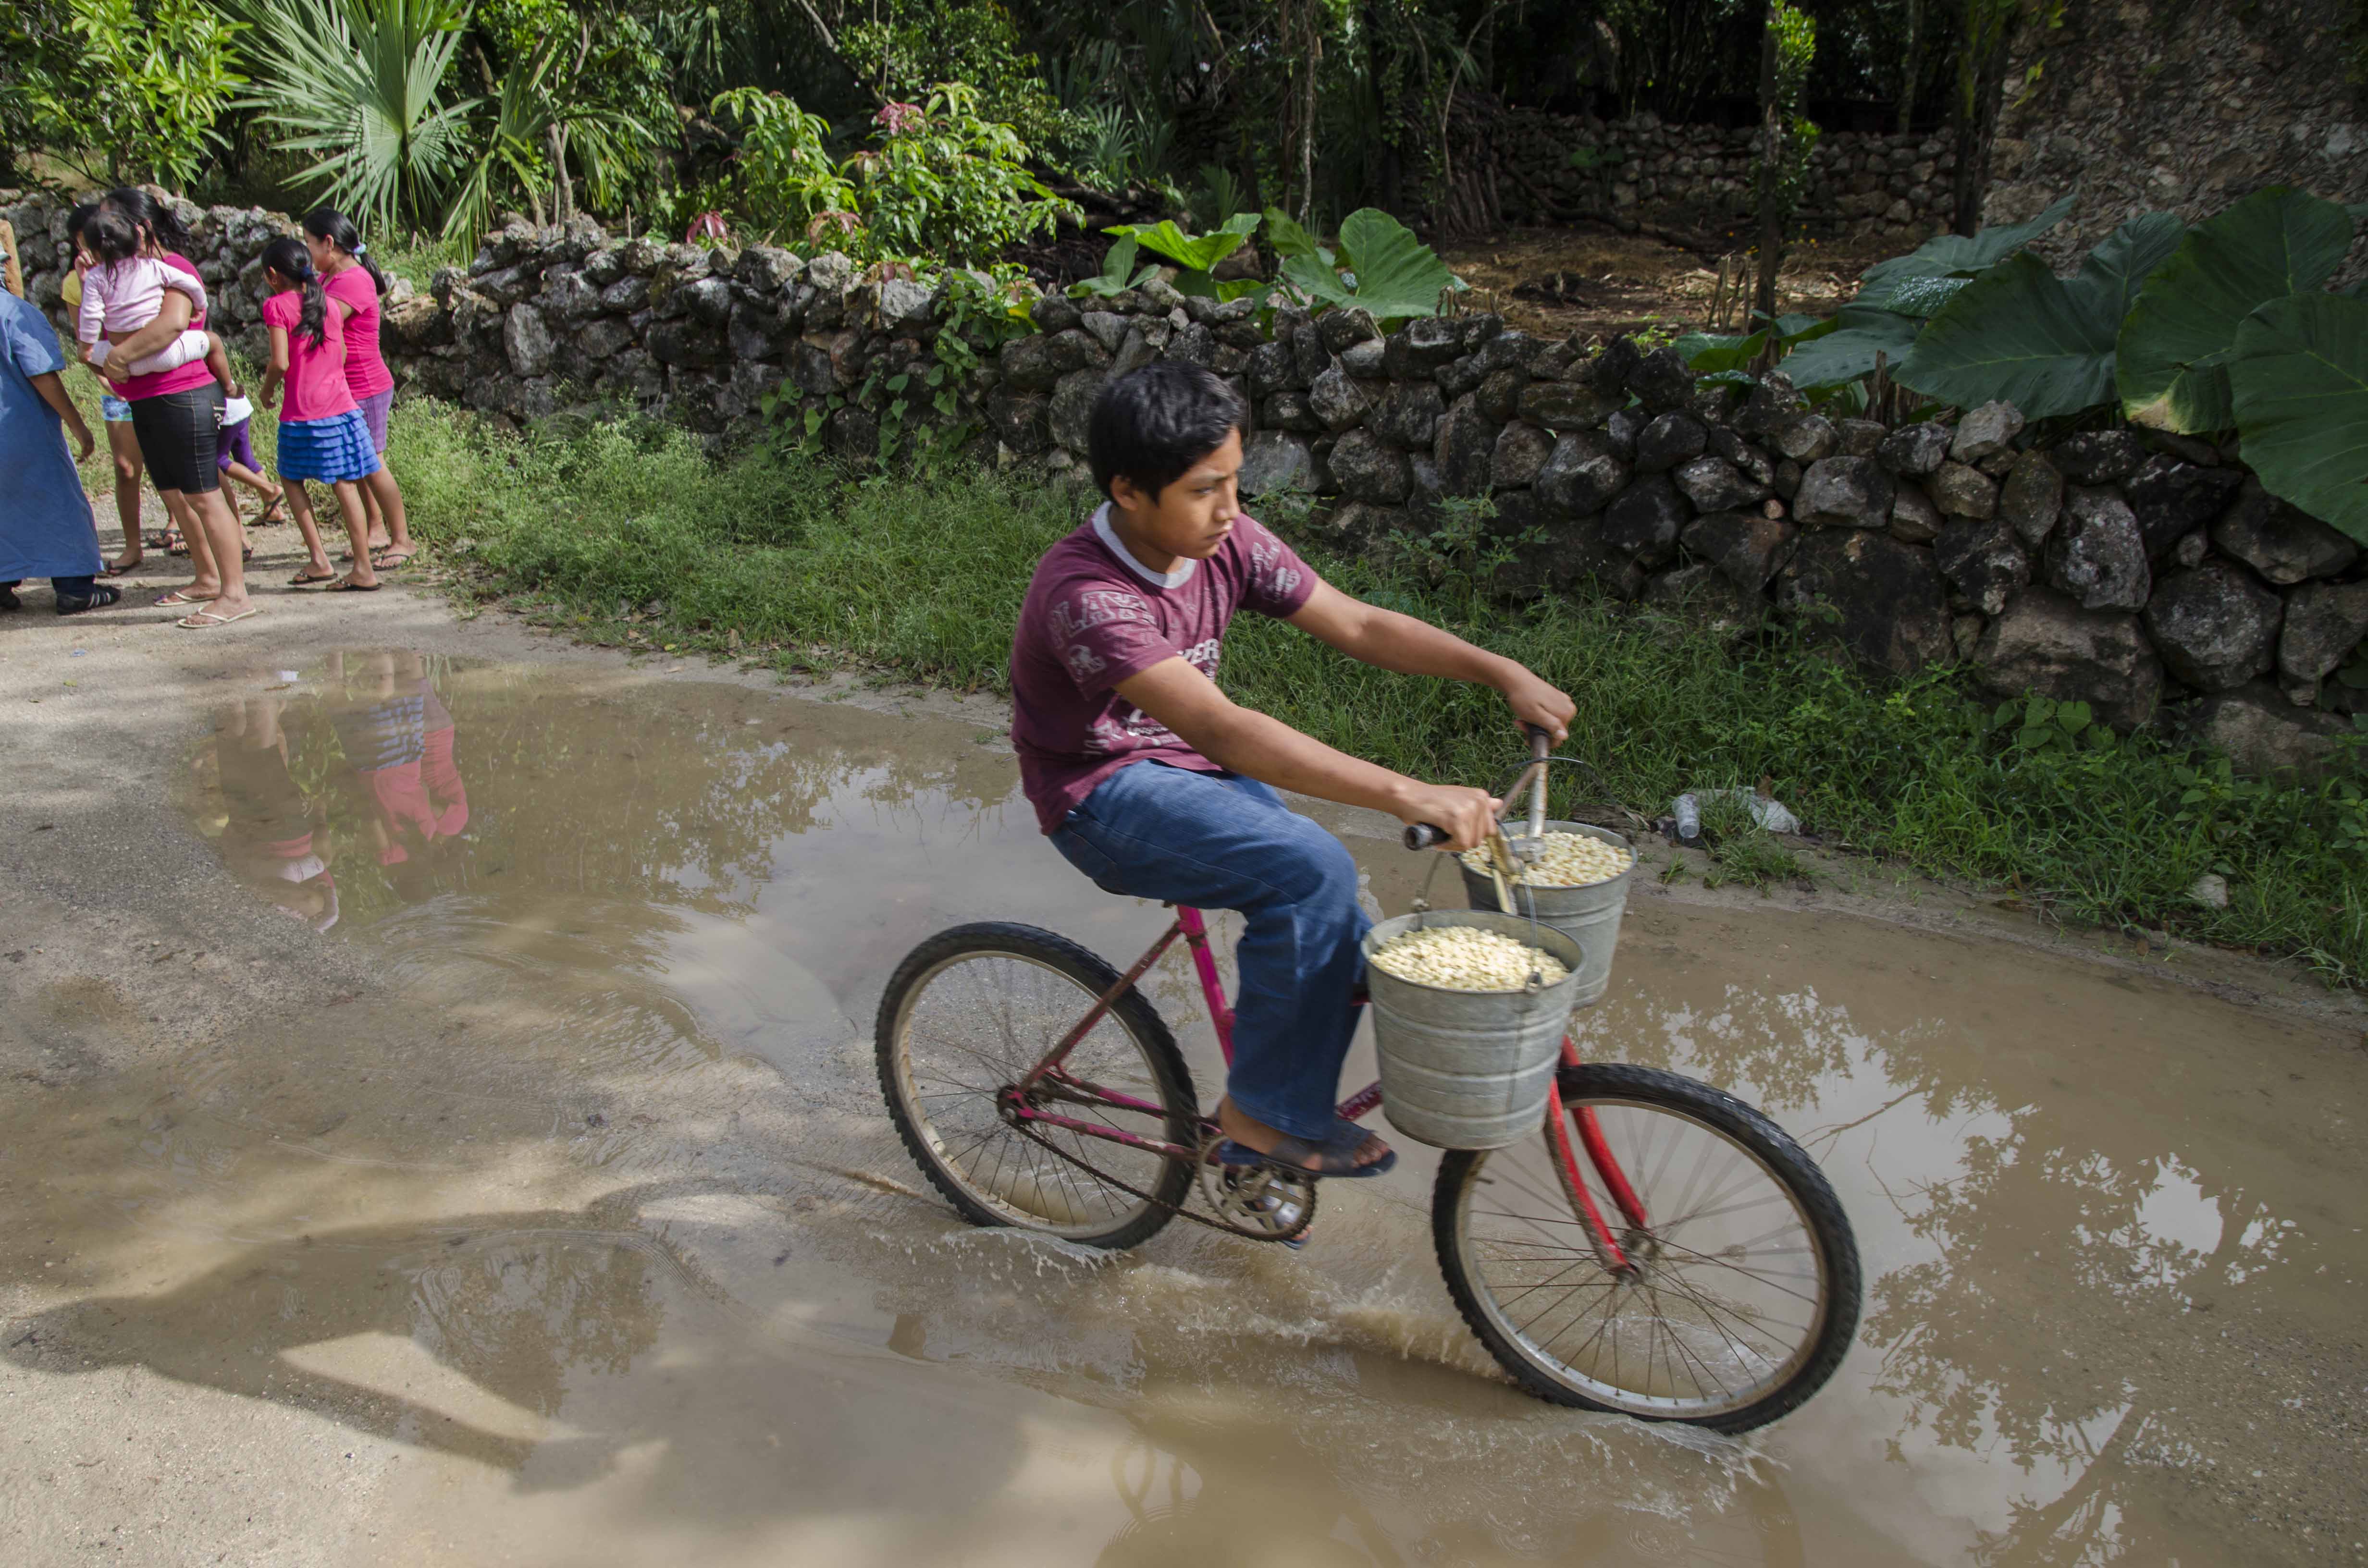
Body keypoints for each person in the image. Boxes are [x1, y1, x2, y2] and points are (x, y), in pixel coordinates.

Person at [1011, 363, 1577, 1178]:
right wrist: (1406, 791)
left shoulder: (1225, 541)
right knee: (1310, 867)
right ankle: (1263, 1116)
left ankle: (1262, 1129)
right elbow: (1224, 728)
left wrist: (1501, 669)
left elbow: (1359, 623)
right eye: (1206, 489)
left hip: (1190, 773)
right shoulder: (1087, 594)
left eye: (1235, 481)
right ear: (1128, 491)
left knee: (1354, 935)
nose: (1231, 509)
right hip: (1099, 793)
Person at [83, 189, 255, 626]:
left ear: (139, 229)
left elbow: (173, 323)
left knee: (202, 492)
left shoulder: (171, 268)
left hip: (184, 394)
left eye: (112, 225)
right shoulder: (111, 275)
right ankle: (206, 578)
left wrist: (117, 358)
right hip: (147, 399)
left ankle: (235, 595)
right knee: (175, 492)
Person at [255, 237, 380, 592]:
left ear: (274, 276)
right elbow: (340, 353)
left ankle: (319, 560)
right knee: (344, 482)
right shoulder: (327, 302)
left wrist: (267, 391)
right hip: (341, 407)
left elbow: (279, 361)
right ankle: (362, 567)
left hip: (302, 411)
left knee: (291, 478)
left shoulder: (277, 306)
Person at [0, 286, 121, 614]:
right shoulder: (15, 312)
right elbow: (41, 373)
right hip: (22, 433)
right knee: (60, 503)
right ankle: (76, 588)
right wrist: (78, 426)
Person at [303, 209, 413, 569]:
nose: (307, 252)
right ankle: (377, 531)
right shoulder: (330, 277)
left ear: (329, 244)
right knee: (357, 464)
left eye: (309, 244)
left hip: (366, 384)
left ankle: (402, 539)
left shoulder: (353, 281)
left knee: (374, 463)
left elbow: (319, 322)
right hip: (346, 386)